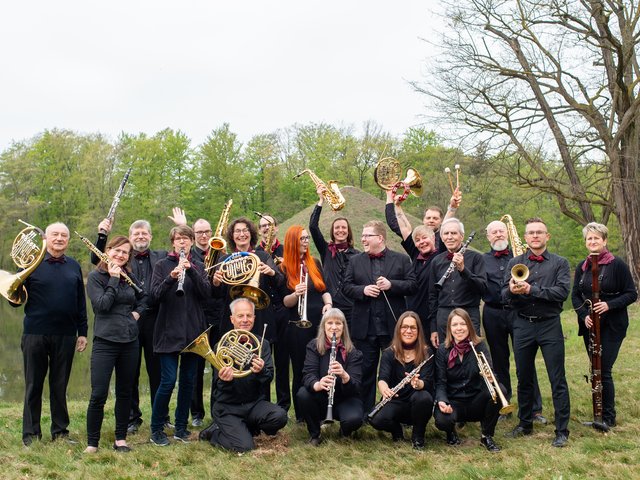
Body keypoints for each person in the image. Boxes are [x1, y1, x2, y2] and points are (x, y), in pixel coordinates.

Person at [12, 222, 88, 446]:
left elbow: (80, 303)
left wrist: (82, 332)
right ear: (46, 237)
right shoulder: (30, 264)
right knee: (33, 385)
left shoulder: (74, 266)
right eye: (55, 234)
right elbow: (15, 302)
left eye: (64, 235)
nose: (59, 238)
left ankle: (60, 433)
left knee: (59, 385)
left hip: (65, 335)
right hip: (35, 334)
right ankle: (30, 436)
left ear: (67, 240)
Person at [93, 217, 168, 434]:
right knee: (130, 375)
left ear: (150, 236)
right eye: (136, 234)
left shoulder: (161, 256)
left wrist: (182, 226)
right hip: (125, 324)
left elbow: (182, 248)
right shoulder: (121, 259)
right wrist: (102, 234)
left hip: (153, 321)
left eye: (144, 233)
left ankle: (160, 417)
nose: (140, 236)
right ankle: (132, 418)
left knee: (157, 372)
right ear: (130, 236)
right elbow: (96, 257)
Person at [502, 218, 571, 447]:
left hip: (550, 324)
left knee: (557, 378)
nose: (535, 236)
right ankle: (525, 424)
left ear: (547, 236)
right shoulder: (515, 262)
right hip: (522, 324)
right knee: (524, 377)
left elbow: (561, 292)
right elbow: (503, 296)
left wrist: (532, 289)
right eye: (531, 233)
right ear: (525, 237)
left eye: (539, 232)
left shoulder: (560, 263)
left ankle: (562, 430)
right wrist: (512, 291)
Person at [343, 220, 417, 415]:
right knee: (365, 371)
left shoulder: (401, 259)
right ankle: (365, 411)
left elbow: (412, 285)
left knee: (394, 371)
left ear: (380, 238)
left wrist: (392, 285)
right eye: (363, 235)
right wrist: (363, 290)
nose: (363, 239)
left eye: (367, 235)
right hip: (365, 328)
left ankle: (393, 411)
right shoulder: (355, 260)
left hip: (392, 327)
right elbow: (346, 287)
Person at [211, 216, 284, 405]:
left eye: (245, 230)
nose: (241, 234)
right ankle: (230, 407)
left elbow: (281, 283)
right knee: (231, 362)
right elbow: (216, 295)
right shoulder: (224, 259)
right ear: (232, 236)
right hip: (234, 319)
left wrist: (271, 272)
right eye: (237, 231)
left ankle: (263, 408)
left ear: (251, 234)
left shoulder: (262, 256)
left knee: (260, 363)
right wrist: (217, 282)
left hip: (259, 317)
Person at [149, 225, 211, 446]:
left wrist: (191, 270)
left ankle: (181, 428)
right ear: (173, 242)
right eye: (178, 239)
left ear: (192, 242)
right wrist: (171, 277)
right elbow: (154, 297)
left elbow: (207, 294)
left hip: (193, 331)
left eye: (186, 238)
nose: (182, 242)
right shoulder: (161, 265)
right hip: (168, 331)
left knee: (188, 382)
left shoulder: (200, 266)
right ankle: (156, 429)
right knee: (167, 381)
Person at [571, 222, 637, 428]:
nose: (592, 241)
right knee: (594, 369)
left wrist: (608, 305)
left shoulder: (617, 265)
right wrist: (584, 315)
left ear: (604, 241)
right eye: (589, 239)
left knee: (604, 369)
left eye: (596, 238)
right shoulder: (582, 266)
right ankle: (597, 415)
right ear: (585, 243)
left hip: (613, 325)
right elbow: (575, 295)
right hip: (591, 325)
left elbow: (631, 294)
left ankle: (608, 417)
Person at [84, 236, 147, 453]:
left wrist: (137, 313)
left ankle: (120, 439)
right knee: (99, 393)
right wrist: (113, 278)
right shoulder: (96, 277)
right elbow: (101, 306)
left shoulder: (129, 276)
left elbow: (144, 298)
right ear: (107, 251)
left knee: (125, 392)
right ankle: (92, 442)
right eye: (116, 251)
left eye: (125, 253)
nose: (120, 255)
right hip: (105, 342)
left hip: (129, 341)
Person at [482, 219, 547, 424]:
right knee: (499, 360)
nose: (498, 235)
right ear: (488, 236)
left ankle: (534, 409)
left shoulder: (522, 256)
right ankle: (504, 404)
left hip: (519, 312)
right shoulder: (481, 260)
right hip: (493, 313)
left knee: (525, 359)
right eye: (494, 232)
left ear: (508, 234)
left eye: (501, 231)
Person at [203, 298, 288, 453]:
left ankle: (245, 428)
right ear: (232, 319)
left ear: (254, 319)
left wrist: (260, 370)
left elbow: (269, 377)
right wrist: (225, 379)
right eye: (240, 316)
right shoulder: (220, 346)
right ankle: (213, 433)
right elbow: (218, 385)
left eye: (249, 316)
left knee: (280, 416)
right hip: (228, 406)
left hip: (253, 404)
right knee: (244, 447)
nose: (245, 320)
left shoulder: (263, 344)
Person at [280, 225, 332, 420]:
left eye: (307, 238)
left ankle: (321, 410)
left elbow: (324, 289)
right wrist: (296, 293)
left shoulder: (315, 263)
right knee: (302, 368)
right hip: (297, 327)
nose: (306, 241)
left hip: (319, 324)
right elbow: (285, 302)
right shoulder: (284, 267)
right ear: (293, 241)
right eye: (302, 239)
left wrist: (328, 304)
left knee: (322, 366)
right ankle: (303, 414)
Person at [434, 308, 503, 452]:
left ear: (469, 326)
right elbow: (440, 381)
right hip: (454, 402)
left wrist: (490, 378)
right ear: (449, 329)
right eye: (455, 325)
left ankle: (486, 435)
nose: (459, 328)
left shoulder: (479, 346)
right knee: (442, 420)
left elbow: (492, 373)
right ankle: (450, 432)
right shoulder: (442, 350)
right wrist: (442, 401)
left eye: (463, 324)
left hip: (475, 401)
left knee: (499, 390)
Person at [297, 308, 363, 445]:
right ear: (323, 326)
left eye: (338, 323)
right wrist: (318, 384)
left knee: (354, 419)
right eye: (330, 323)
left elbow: (356, 386)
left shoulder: (353, 352)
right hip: (321, 397)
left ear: (344, 327)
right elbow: (308, 374)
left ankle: (345, 431)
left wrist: (345, 376)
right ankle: (315, 434)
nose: (334, 327)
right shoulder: (314, 346)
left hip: (345, 398)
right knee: (303, 394)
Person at [369, 311, 434, 450]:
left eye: (413, 327)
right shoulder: (389, 353)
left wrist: (418, 384)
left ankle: (418, 436)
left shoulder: (426, 353)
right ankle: (397, 431)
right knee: (375, 419)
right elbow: (382, 378)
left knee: (424, 397)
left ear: (418, 331)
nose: (408, 331)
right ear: (398, 330)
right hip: (396, 401)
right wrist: (384, 389)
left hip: (417, 403)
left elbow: (428, 382)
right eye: (404, 327)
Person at [385, 189, 438, 339]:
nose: (422, 242)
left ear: (434, 238)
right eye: (418, 240)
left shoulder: (440, 256)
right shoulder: (416, 254)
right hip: (414, 312)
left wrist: (452, 208)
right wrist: (398, 206)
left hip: (433, 314)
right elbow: (405, 229)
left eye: (425, 238)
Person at [428, 218, 486, 347]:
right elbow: (432, 296)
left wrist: (463, 270)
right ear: (442, 238)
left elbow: (482, 288)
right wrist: (433, 328)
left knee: (472, 357)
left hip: (469, 314)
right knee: (445, 357)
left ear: (462, 236)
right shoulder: (436, 261)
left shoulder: (477, 258)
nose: (450, 237)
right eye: (446, 234)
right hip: (443, 317)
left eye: (454, 233)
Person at [309, 184, 360, 323]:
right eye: (337, 228)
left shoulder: (357, 255)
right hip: (330, 305)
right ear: (333, 231)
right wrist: (321, 200)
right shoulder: (326, 250)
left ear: (348, 231)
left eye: (344, 227)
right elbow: (313, 227)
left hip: (351, 307)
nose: (340, 230)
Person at [385, 188, 461, 254]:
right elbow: (394, 224)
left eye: (435, 218)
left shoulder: (445, 239)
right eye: (428, 218)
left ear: (441, 221)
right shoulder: (415, 238)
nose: (431, 221)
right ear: (423, 220)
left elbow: (445, 226)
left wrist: (452, 207)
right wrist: (391, 197)